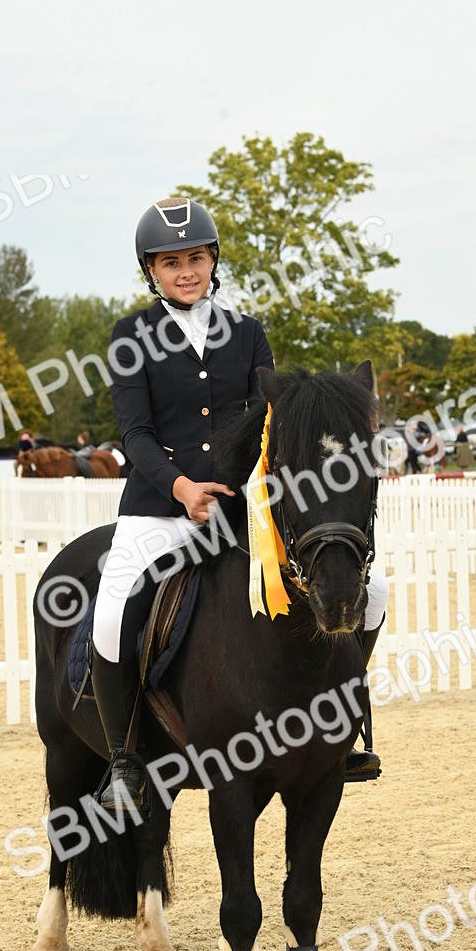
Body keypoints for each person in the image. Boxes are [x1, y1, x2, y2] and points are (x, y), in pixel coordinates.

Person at [93, 196, 387, 810]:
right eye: (171, 263)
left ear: (213, 261)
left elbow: (267, 422)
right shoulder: (130, 337)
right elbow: (135, 434)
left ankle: (343, 726)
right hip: (160, 508)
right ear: (151, 271)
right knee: (116, 607)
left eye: (196, 259)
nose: (186, 272)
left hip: (241, 511)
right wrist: (181, 487)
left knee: (375, 591)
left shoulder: (247, 333)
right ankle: (124, 759)